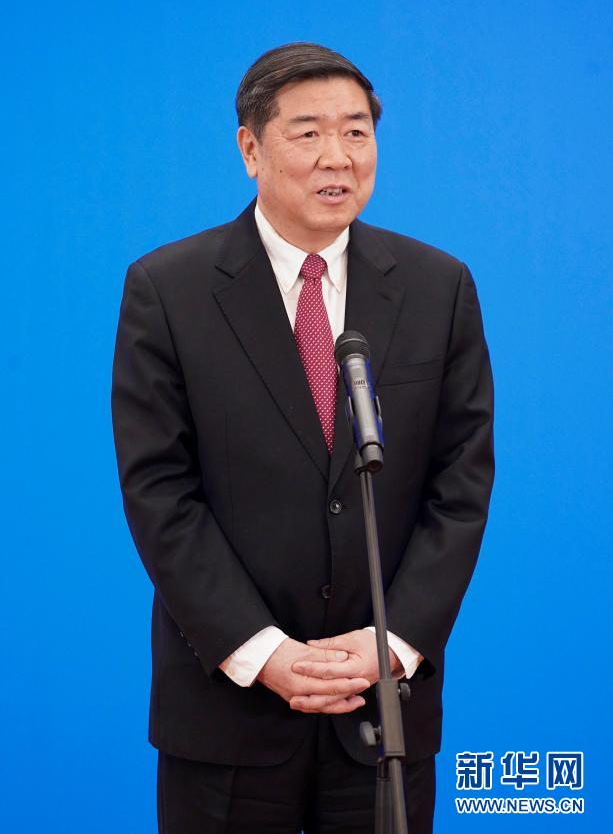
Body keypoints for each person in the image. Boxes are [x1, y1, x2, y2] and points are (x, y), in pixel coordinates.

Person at [111, 42, 494, 833]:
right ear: (250, 149)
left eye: (356, 132)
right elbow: (159, 490)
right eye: (308, 132)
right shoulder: (169, 289)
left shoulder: (438, 286)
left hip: (380, 710)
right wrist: (261, 651)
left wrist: (394, 642)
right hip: (227, 712)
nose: (338, 157)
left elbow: (460, 482)